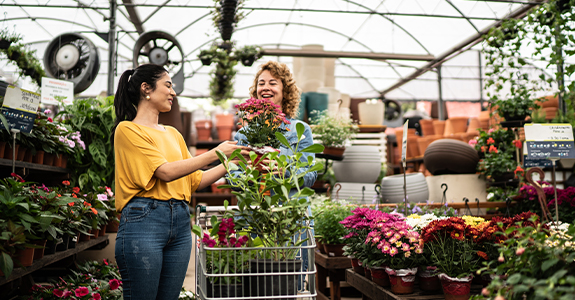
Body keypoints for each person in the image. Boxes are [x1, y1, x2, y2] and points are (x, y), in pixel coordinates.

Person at [111, 63, 250, 300]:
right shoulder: (128, 130)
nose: (173, 92)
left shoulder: (173, 134)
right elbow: (164, 172)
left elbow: (196, 181)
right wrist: (217, 152)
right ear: (146, 88)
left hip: (181, 223)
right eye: (168, 85)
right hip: (145, 222)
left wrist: (234, 162)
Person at [232, 60, 317, 290]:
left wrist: (284, 171)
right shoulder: (243, 135)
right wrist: (250, 174)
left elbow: (309, 176)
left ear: (285, 90)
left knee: (290, 285)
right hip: (255, 216)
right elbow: (233, 178)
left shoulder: (299, 130)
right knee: (254, 286)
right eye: (261, 83)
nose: (266, 87)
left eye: (273, 82)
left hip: (291, 217)